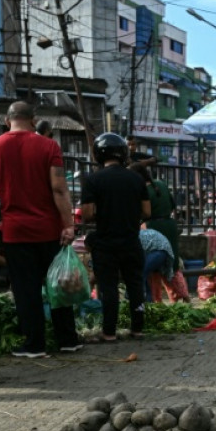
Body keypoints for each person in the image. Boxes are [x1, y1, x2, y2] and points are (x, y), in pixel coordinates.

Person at [0, 102, 81, 357]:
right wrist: (68, 225)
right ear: (33, 120)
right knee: (58, 284)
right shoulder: (49, 146)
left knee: (26, 290)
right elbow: (59, 189)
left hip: (16, 232)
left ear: (6, 120)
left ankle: (34, 345)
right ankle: (68, 340)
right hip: (50, 230)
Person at [82, 133, 151, 342]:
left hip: (105, 242)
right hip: (131, 240)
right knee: (135, 285)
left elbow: (87, 214)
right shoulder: (136, 178)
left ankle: (109, 333)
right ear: (123, 153)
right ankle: (138, 329)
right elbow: (147, 212)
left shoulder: (93, 179)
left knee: (109, 287)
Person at [129, 164, 188, 303]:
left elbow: (140, 213)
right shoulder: (161, 184)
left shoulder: (142, 191)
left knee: (153, 268)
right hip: (170, 225)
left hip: (153, 227)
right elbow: (172, 205)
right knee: (172, 263)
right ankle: (183, 296)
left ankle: (156, 301)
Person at [139, 227, 174, 302]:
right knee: (143, 275)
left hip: (160, 249)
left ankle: (142, 301)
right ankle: (148, 301)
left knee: (141, 273)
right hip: (154, 249)